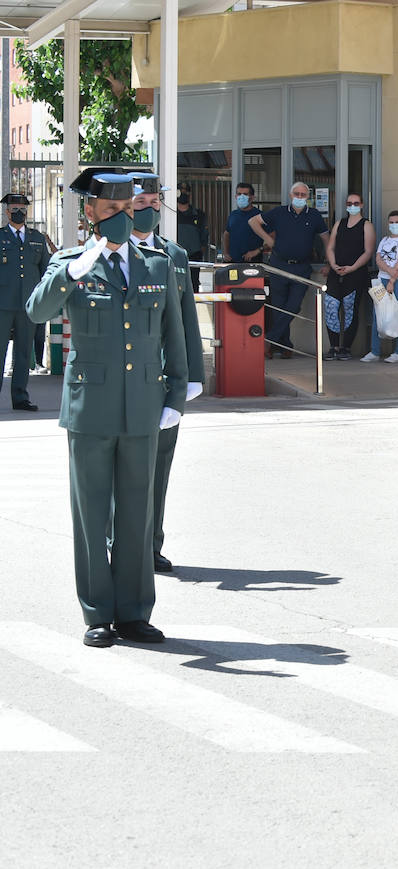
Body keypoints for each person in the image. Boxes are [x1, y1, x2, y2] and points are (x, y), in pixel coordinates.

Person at [25, 168, 188, 648]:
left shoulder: (156, 265)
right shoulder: (72, 263)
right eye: (112, 210)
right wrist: (71, 272)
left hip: (143, 405)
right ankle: (97, 612)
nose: (121, 217)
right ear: (91, 213)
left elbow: (172, 337)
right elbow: (36, 311)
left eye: (128, 209)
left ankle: (135, 612)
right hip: (90, 407)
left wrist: (176, 396)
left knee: (137, 515)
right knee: (91, 514)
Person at [127, 171, 206, 575]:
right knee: (123, 466)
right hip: (126, 376)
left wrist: (192, 374)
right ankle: (120, 542)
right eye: (141, 204)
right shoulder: (114, 251)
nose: (150, 210)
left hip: (164, 377)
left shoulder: (174, 256)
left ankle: (152, 543)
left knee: (160, 465)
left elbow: (187, 319)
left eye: (155, 204)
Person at [249, 182, 329, 358]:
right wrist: (268, 241)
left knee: (293, 306)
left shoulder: (314, 215)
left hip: (301, 267)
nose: (300, 198)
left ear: (308, 198)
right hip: (279, 265)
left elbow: (326, 239)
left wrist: (329, 261)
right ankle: (285, 346)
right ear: (290, 195)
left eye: (303, 195)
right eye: (297, 194)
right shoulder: (279, 213)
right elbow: (253, 221)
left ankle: (269, 341)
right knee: (279, 309)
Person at [0, 191, 50, 410]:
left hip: (28, 306)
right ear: (6, 212)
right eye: (14, 210)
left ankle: (20, 397)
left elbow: (47, 271)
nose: (19, 213)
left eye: (22, 210)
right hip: (2, 305)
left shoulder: (37, 238)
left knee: (23, 352)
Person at [323, 192, 376, 360]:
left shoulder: (366, 225)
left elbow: (368, 251)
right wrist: (333, 265)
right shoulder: (340, 223)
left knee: (350, 310)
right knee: (331, 307)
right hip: (335, 272)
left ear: (361, 205)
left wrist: (352, 267)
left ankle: (345, 347)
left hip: (355, 274)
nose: (352, 206)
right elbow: (330, 247)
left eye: (356, 203)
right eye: (349, 203)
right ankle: (333, 346)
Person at [367, 210, 398, 363]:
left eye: (397, 222)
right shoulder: (385, 240)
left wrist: (392, 280)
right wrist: (388, 272)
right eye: (391, 222)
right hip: (382, 280)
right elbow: (378, 259)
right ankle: (374, 351)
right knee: (377, 314)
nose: (394, 225)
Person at [221, 182, 263, 264]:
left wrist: (256, 251)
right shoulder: (233, 215)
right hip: (232, 262)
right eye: (239, 194)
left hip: (253, 263)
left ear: (252, 197)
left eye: (245, 194)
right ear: (236, 197)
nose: (241, 197)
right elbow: (226, 234)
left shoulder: (260, 216)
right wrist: (226, 253)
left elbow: (271, 239)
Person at [174, 186, 208, 288]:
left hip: (194, 256)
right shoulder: (170, 213)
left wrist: (200, 250)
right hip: (174, 255)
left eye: (186, 192)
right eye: (181, 192)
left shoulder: (198, 214)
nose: (184, 194)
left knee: (193, 285)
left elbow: (204, 235)